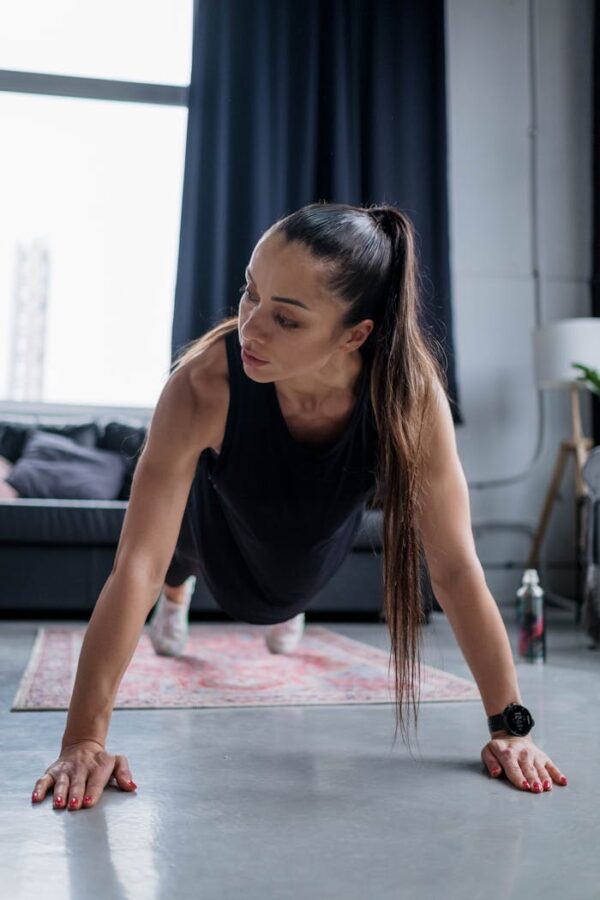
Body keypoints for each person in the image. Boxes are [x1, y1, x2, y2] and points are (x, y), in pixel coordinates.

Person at [30, 202, 568, 812]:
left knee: (285, 587)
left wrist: (512, 727)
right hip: (213, 525)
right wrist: (82, 740)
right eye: (249, 294)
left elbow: (455, 569)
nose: (251, 328)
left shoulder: (410, 399)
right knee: (174, 555)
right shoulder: (203, 384)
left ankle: (279, 597)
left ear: (355, 334)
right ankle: (181, 597)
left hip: (313, 535)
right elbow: (135, 567)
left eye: (285, 319)